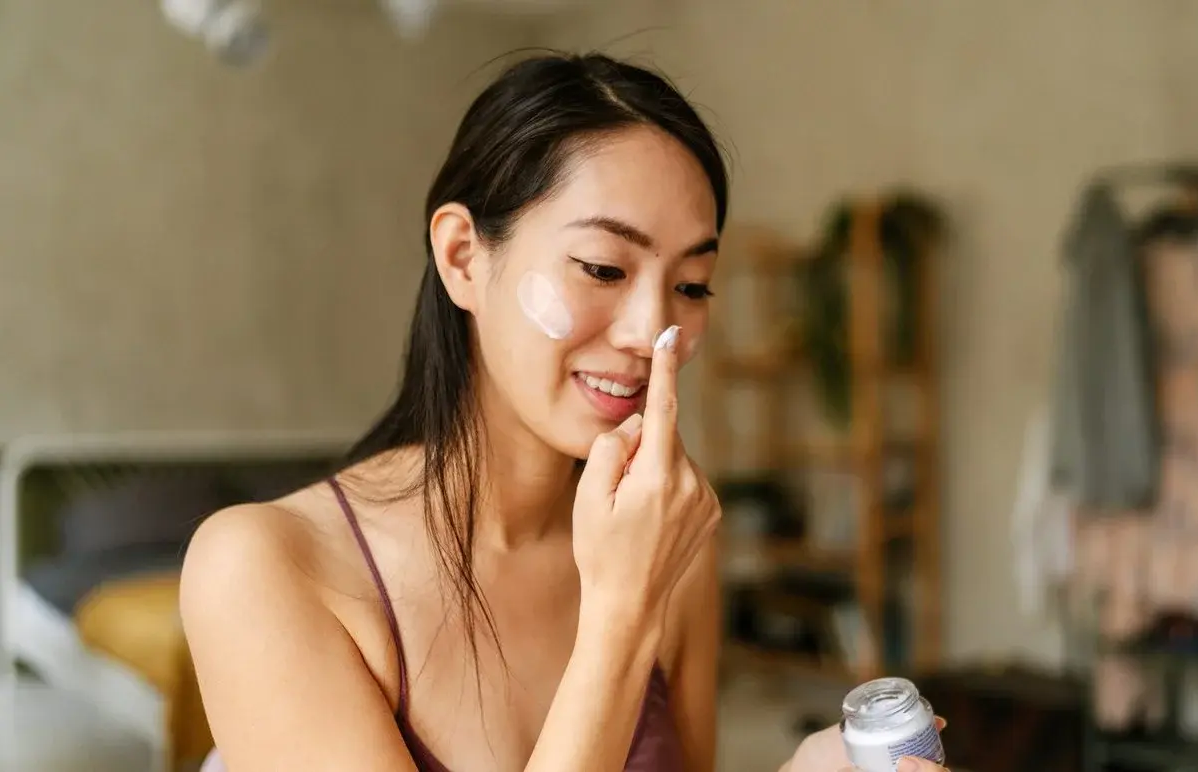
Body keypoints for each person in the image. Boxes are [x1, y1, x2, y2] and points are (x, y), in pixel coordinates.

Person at [180, 51, 948, 772]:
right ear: (462, 257)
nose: (652, 332)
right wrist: (621, 615)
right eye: (603, 268)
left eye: (691, 285)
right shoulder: (264, 569)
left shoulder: (671, 542)